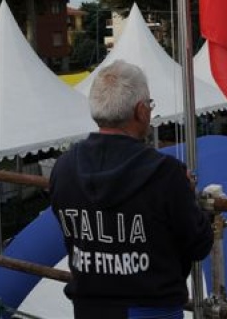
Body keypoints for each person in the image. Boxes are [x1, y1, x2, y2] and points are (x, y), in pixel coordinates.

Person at [50, 60, 213, 319]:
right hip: (153, 309)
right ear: (140, 111)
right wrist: (193, 201)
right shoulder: (166, 174)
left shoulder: (63, 168)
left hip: (88, 308)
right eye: (149, 105)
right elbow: (199, 245)